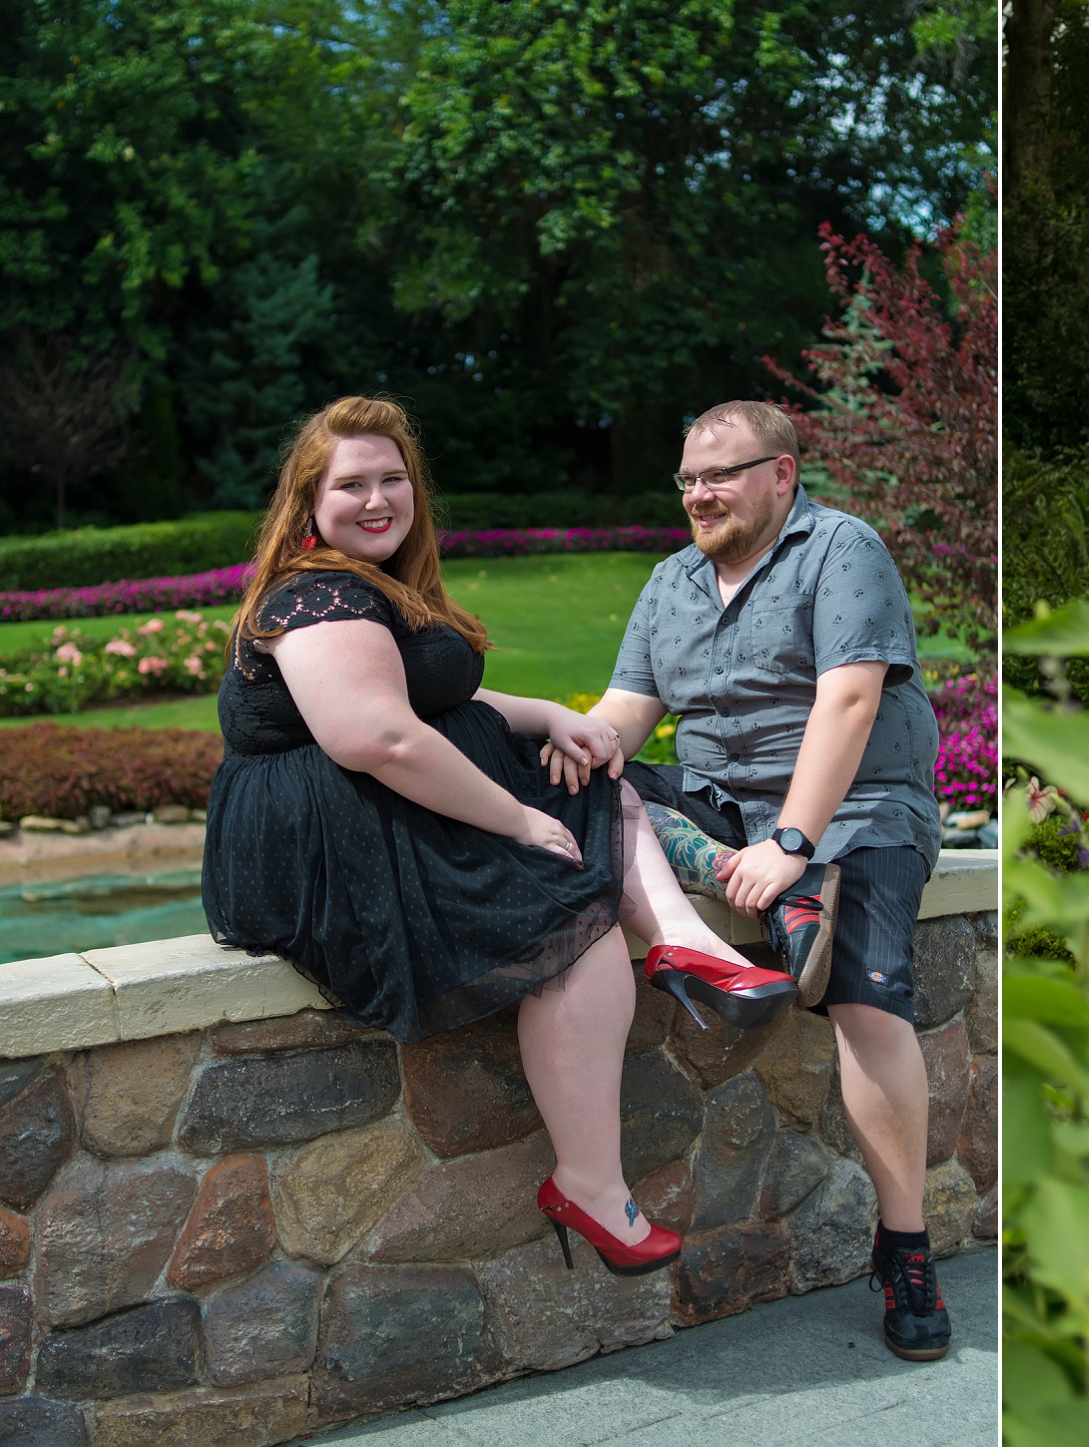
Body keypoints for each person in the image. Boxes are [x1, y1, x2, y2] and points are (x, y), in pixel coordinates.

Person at [201, 395, 795, 1281]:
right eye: (351, 484)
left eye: (392, 478)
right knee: (569, 912)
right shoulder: (319, 593)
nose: (377, 499)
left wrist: (551, 713)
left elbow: (437, 700)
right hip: (333, 855)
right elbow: (380, 737)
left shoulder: (377, 583)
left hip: (389, 814)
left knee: (589, 795)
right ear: (308, 502)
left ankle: (678, 949)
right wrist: (520, 819)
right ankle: (596, 1177)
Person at [569, 400, 953, 1363]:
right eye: (689, 480)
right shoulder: (671, 582)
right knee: (583, 789)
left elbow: (853, 696)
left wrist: (793, 838)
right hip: (724, 815)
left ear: (781, 474)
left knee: (866, 999)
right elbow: (626, 713)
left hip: (856, 809)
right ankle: (770, 897)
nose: (699, 494)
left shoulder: (841, 548)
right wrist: (546, 745)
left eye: (722, 475)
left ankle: (905, 1246)